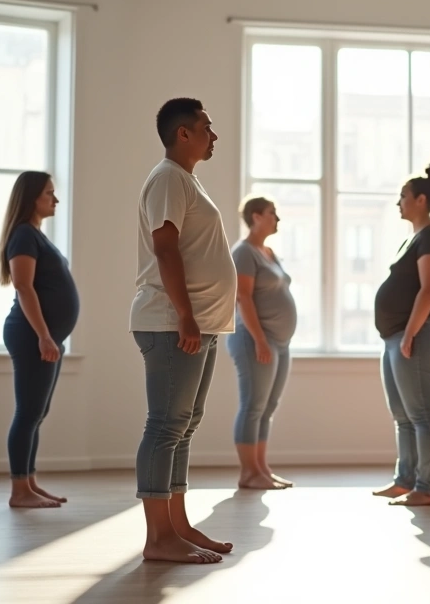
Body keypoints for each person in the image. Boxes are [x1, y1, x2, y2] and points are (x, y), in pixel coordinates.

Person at [130, 98, 236, 564]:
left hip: (198, 324)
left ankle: (178, 525)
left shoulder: (186, 180)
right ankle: (159, 538)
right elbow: (165, 248)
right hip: (174, 323)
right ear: (183, 133)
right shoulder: (168, 177)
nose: (215, 136)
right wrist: (186, 315)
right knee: (166, 426)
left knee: (183, 426)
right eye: (207, 128)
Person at [371, 160, 430, 507]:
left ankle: (427, 487)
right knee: (403, 415)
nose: (398, 202)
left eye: (402, 196)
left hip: (418, 333)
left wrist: (409, 335)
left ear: (420, 199)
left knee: (423, 413)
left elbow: (429, 289)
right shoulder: (413, 238)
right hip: (397, 335)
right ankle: (405, 480)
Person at [0, 171, 79, 508]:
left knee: (37, 412)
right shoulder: (23, 236)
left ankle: (29, 482)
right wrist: (44, 336)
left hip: (46, 338)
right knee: (28, 412)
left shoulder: (33, 235)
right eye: (49, 193)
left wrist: (51, 337)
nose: (55, 199)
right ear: (32, 198)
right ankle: (19, 491)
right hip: (31, 335)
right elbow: (23, 286)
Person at [229, 195, 297, 490]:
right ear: (256, 216)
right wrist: (259, 340)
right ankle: (248, 473)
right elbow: (243, 297)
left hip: (279, 341)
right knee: (253, 406)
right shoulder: (244, 252)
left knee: (268, 407)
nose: (276, 218)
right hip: (254, 339)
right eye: (272, 213)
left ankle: (261, 469)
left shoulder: (267, 251)